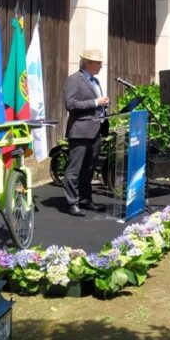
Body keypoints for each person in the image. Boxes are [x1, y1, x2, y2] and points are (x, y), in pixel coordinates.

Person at [62, 49, 110, 217]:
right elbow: (70, 104)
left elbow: (93, 104)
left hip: (96, 130)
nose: (101, 66)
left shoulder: (95, 81)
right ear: (88, 63)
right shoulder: (74, 79)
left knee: (89, 169)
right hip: (80, 131)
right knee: (74, 169)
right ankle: (72, 203)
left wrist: (102, 105)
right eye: (98, 63)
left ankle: (86, 200)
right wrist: (96, 102)